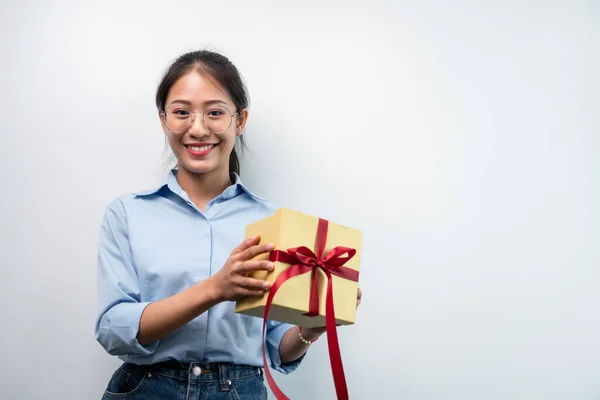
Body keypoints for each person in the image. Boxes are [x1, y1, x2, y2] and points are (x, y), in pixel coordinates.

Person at [95, 49, 362, 399]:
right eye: (181, 112)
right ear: (163, 120)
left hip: (240, 390)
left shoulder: (273, 223)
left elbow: (277, 348)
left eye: (215, 113)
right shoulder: (128, 213)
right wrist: (216, 289)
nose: (198, 128)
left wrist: (311, 327)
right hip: (147, 389)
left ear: (240, 120)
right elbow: (114, 330)